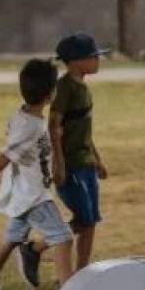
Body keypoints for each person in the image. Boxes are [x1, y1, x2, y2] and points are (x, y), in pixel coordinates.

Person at [0, 59, 74, 290]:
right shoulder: (31, 126)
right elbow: (8, 153)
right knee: (63, 238)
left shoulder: (24, 114)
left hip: (24, 191)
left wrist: (55, 138)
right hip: (32, 194)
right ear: (50, 94)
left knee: (12, 236)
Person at [51, 33, 109, 272]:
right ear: (75, 61)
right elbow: (54, 125)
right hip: (72, 163)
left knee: (91, 219)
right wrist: (59, 163)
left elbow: (83, 127)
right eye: (93, 56)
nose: (98, 60)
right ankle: (36, 247)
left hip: (85, 161)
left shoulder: (83, 87)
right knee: (83, 219)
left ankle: (82, 270)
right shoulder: (65, 87)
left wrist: (97, 159)